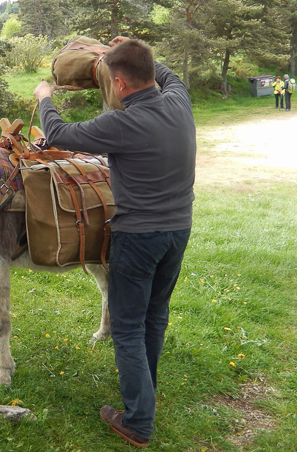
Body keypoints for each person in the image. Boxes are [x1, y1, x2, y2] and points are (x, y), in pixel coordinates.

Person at [33, 37, 196, 449]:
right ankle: (147, 395)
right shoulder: (179, 101)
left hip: (138, 237)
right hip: (178, 231)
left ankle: (138, 421)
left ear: (118, 84)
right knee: (154, 316)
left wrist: (44, 96)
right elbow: (169, 75)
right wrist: (132, 49)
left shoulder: (121, 124)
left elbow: (56, 133)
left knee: (126, 327)